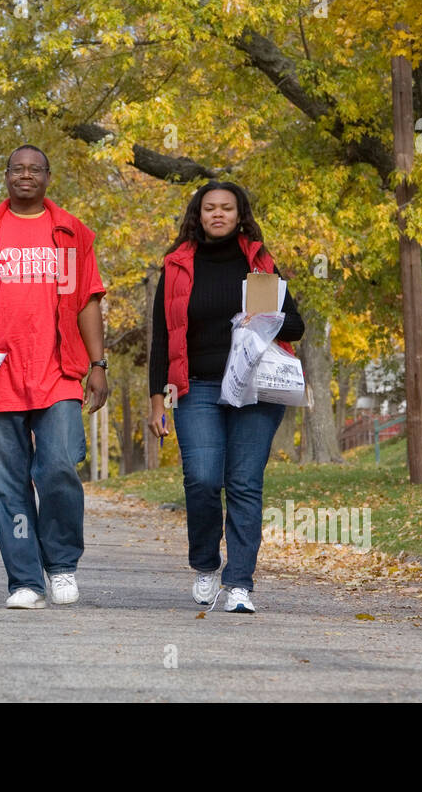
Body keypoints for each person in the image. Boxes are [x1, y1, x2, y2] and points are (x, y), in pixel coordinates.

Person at [0, 144, 108, 609]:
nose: (26, 176)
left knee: (57, 466)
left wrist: (99, 363)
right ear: (7, 176)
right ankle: (25, 581)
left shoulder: (71, 233)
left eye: (35, 169)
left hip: (57, 371)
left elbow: (89, 301)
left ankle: (61, 565)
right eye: (18, 169)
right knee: (7, 482)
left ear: (48, 176)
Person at [147, 181, 304, 614]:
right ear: (198, 215)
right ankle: (205, 564)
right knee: (201, 479)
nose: (218, 215)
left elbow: (296, 327)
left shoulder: (257, 261)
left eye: (227, 208)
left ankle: (239, 584)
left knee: (243, 483)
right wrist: (157, 399)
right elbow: (161, 337)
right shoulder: (177, 265)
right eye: (209, 208)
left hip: (255, 390)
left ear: (239, 215)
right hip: (194, 386)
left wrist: (268, 318)